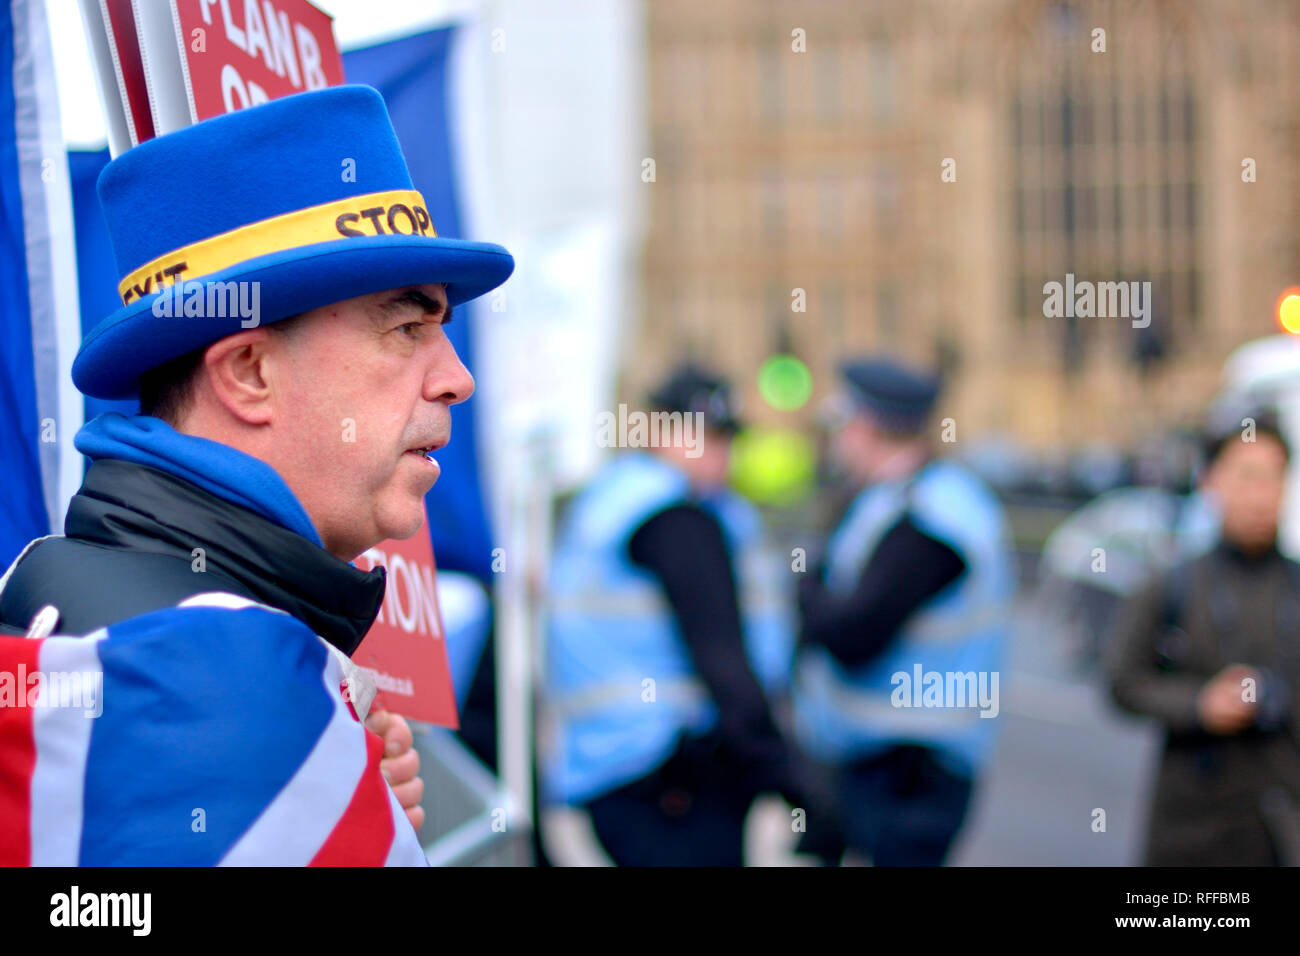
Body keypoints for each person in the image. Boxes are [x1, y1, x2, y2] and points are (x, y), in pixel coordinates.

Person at [0, 86, 513, 865]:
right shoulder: (224, 680)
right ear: (248, 373)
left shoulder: (49, 581)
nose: (455, 378)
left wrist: (342, 793)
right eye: (407, 327)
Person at [542, 363, 803, 866]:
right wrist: (786, 772)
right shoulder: (672, 514)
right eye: (701, 434)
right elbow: (721, 653)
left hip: (619, 765)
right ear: (659, 429)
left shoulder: (619, 497)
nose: (717, 453)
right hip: (668, 768)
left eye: (725, 438)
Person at [793, 356, 1014, 866]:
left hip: (913, 768)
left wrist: (805, 589)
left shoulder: (931, 518)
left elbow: (853, 633)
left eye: (844, 426)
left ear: (867, 426)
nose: (838, 439)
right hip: (883, 759)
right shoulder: (898, 501)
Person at [1106, 410, 1300, 865]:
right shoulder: (1172, 585)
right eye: (1247, 477)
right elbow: (1122, 682)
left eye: (1275, 478)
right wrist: (1200, 704)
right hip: (1191, 827)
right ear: (1211, 481)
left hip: (1281, 826)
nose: (1262, 496)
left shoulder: (1295, 584)